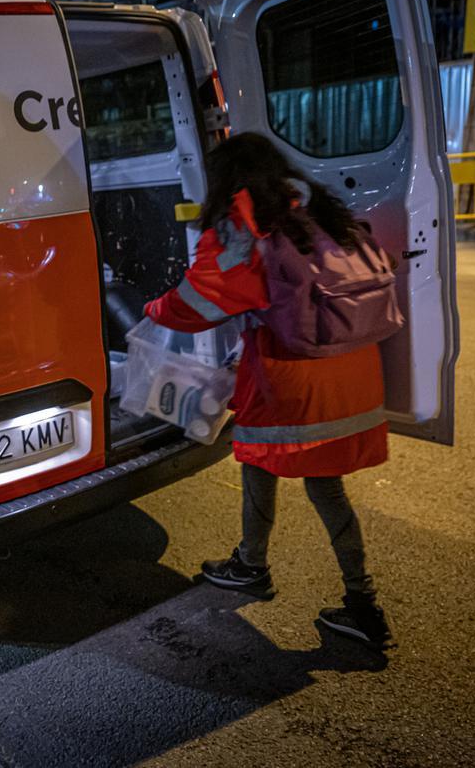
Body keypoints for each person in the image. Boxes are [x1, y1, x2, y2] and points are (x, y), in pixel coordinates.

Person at [145, 133, 394, 650]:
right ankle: (344, 595)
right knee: (313, 478)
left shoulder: (248, 225)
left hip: (294, 373)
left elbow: (198, 302)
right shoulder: (320, 209)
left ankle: (283, 578)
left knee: (269, 458)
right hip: (353, 369)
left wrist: (150, 311)